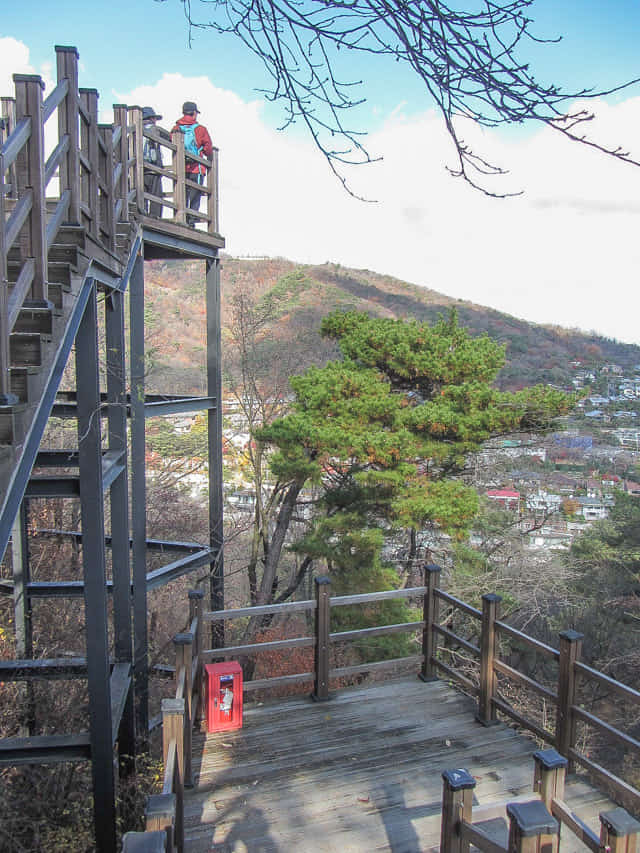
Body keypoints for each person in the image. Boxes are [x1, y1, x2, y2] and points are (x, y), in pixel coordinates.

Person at [172, 101, 213, 227]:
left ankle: (180, 218)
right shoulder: (201, 129)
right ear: (194, 113)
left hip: (181, 168)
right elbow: (208, 149)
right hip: (197, 168)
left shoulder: (176, 128)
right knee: (195, 195)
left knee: (182, 193)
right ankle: (191, 221)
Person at [142, 106, 164, 218]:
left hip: (140, 169)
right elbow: (170, 138)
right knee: (156, 195)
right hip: (153, 168)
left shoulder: (136, 129)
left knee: (142, 193)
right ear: (151, 118)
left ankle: (142, 212)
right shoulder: (154, 129)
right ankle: (155, 217)